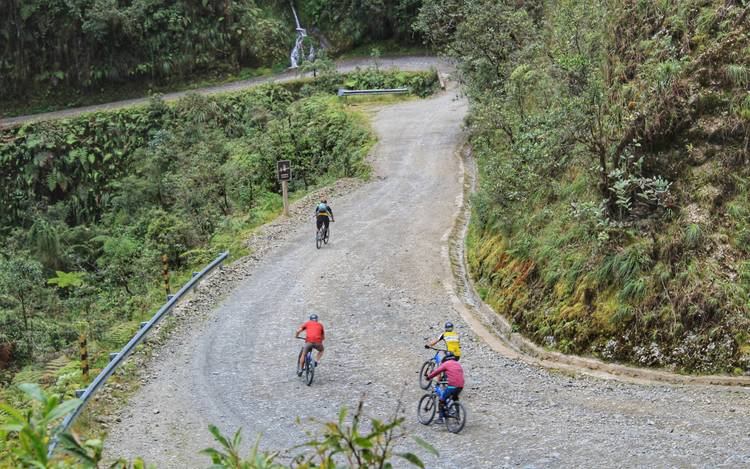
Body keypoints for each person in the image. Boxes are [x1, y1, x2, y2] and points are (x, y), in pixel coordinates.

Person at [426, 351, 464, 424]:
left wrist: (429, 377)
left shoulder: (446, 364)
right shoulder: (458, 364)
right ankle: (457, 416)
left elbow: (437, 372)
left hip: (452, 386)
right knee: (455, 398)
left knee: (442, 400)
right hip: (461, 386)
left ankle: (440, 419)